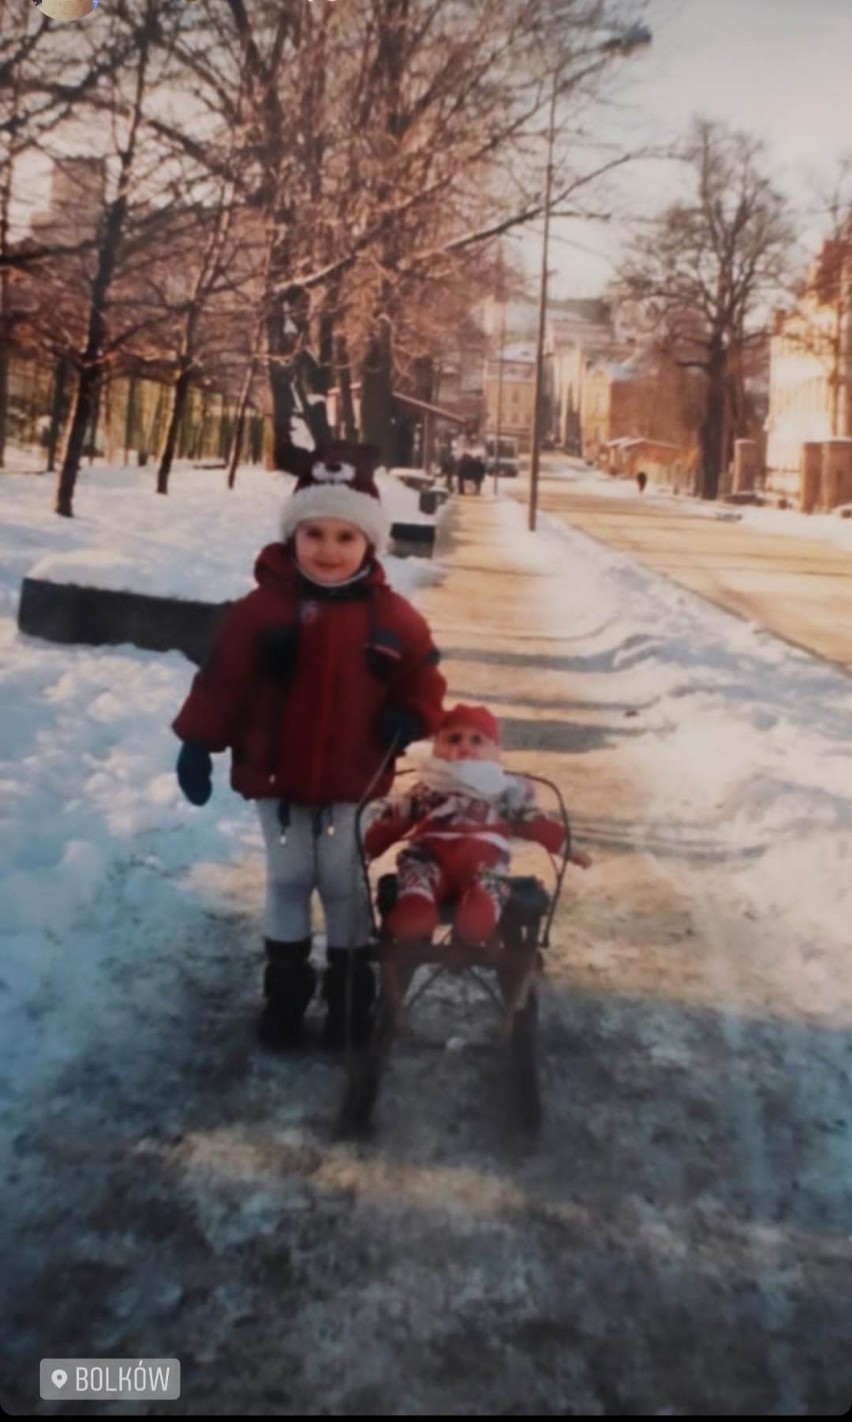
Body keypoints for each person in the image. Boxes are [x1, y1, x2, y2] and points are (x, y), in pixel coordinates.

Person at [172, 441, 446, 1050]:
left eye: (345, 537)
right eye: (314, 533)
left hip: (355, 773)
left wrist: (412, 713)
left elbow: (425, 679)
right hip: (276, 777)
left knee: (345, 882)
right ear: (292, 537)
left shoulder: (392, 617)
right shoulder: (261, 610)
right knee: (290, 879)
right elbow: (223, 681)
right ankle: (287, 991)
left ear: (369, 544)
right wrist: (197, 740)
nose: (328, 550)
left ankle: (350, 993)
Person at [363, 703, 591, 945]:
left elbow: (533, 822)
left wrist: (567, 847)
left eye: (476, 740)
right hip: (431, 855)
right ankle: (417, 902)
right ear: (437, 746)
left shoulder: (504, 789)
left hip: (483, 858)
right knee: (417, 869)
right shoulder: (430, 787)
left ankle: (481, 907)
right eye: (453, 739)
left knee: (489, 877)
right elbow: (399, 818)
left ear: (495, 750)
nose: (464, 747)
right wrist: (367, 846)